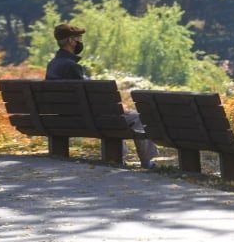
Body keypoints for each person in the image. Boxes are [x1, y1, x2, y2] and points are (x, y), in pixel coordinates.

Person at [45, 23, 159, 169]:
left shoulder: (53, 65)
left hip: (62, 118)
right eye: (78, 37)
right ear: (70, 41)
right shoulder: (71, 66)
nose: (80, 41)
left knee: (119, 117)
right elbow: (91, 97)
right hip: (85, 119)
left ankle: (121, 156)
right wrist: (117, 108)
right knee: (138, 118)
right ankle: (146, 161)